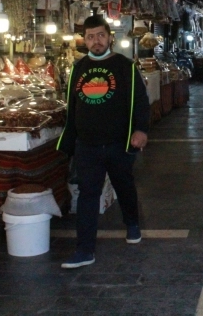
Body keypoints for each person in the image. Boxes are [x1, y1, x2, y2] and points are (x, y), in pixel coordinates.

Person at [58, 15, 150, 269]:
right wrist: (71, 139)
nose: (96, 41)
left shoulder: (124, 66)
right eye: (90, 37)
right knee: (88, 194)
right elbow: (73, 105)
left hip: (119, 142)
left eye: (100, 35)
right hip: (87, 145)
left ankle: (132, 223)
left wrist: (141, 129)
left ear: (110, 37)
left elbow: (140, 100)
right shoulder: (79, 68)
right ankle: (84, 249)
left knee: (124, 186)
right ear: (84, 40)